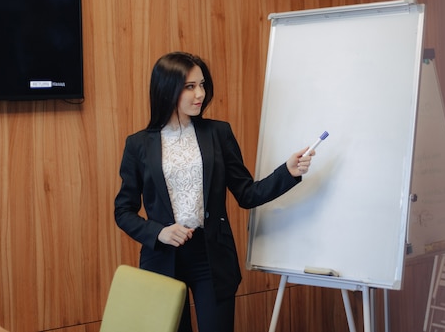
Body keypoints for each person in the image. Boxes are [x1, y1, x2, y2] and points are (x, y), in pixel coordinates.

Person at [114, 51, 314, 332]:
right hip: (162, 258)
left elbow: (247, 193)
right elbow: (123, 211)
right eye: (190, 86)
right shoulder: (138, 145)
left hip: (211, 257)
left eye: (202, 85)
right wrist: (159, 232)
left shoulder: (218, 133)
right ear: (167, 89)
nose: (200, 94)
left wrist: (288, 172)